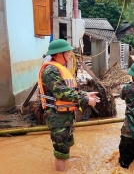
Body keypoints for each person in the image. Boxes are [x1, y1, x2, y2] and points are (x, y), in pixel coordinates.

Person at [38, 39, 100, 171]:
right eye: (68, 53)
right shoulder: (50, 71)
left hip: (66, 115)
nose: (69, 55)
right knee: (61, 152)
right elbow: (62, 93)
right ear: (59, 54)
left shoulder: (60, 69)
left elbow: (71, 90)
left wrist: (85, 94)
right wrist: (85, 100)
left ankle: (66, 168)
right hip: (57, 117)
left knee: (67, 145)